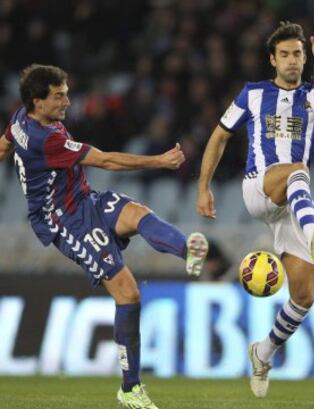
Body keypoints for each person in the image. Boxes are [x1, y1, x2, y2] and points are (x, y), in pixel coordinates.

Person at [0, 64, 209, 409]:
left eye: (66, 91)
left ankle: (188, 251)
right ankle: (129, 389)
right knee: (128, 294)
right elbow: (107, 161)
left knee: (138, 214)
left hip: (85, 200)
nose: (67, 100)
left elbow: (5, 146)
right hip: (65, 220)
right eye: (59, 95)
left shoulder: (22, 117)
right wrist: (159, 161)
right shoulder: (46, 138)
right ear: (38, 101)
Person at [196, 21, 314, 398]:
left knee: (304, 297)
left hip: (291, 205)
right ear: (272, 59)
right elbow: (219, 136)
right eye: (285, 54)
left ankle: (263, 352)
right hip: (259, 187)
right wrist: (203, 187)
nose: (292, 61)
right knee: (299, 171)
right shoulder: (252, 95)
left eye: (298, 54)